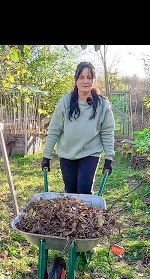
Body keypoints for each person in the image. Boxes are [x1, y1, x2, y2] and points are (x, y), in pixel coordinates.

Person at [41, 61, 115, 194]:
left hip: (90, 153)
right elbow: (54, 130)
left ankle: (87, 214)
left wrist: (109, 158)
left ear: (94, 80)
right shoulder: (65, 102)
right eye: (81, 77)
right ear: (75, 80)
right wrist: (47, 156)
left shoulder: (102, 105)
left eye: (89, 77)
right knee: (70, 191)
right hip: (67, 153)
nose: (85, 81)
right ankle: (73, 215)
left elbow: (107, 132)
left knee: (83, 191)